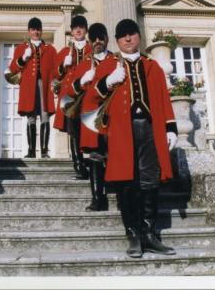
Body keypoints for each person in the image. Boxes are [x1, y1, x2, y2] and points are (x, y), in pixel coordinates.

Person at [91, 19, 178, 258]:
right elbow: (91, 99)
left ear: (139, 37)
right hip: (120, 132)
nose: (128, 39)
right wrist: (107, 82)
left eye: (132, 34)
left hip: (149, 129)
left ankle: (150, 234)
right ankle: (133, 235)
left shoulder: (153, 65)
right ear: (117, 41)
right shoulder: (108, 65)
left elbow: (163, 99)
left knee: (150, 180)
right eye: (123, 36)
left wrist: (171, 128)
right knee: (126, 183)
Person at [67, 23, 112, 211]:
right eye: (94, 38)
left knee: (113, 153)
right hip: (91, 117)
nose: (97, 42)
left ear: (107, 39)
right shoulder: (85, 64)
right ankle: (97, 198)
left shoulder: (116, 61)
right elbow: (69, 93)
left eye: (101, 38)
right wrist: (81, 81)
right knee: (95, 155)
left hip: (113, 116)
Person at [8, 17, 57, 158]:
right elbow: (12, 69)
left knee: (45, 116)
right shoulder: (21, 48)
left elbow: (55, 71)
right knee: (30, 118)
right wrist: (23, 58)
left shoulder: (50, 49)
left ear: (41, 31)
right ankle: (30, 151)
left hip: (45, 86)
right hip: (29, 86)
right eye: (33, 29)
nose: (36, 32)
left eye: (38, 29)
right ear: (29, 31)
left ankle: (44, 150)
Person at [53, 15, 92, 179]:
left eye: (81, 27)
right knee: (73, 130)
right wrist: (63, 65)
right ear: (71, 30)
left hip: (89, 94)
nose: (78, 30)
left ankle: (91, 162)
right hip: (70, 96)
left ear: (85, 30)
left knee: (88, 128)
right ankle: (78, 164)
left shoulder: (92, 49)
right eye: (75, 27)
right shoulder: (64, 51)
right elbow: (55, 75)